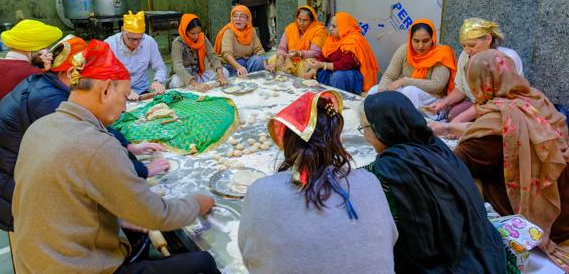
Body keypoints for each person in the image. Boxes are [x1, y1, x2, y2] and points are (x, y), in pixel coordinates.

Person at [12, 40, 218, 274]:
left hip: (34, 262)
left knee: (134, 236)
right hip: (72, 268)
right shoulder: (98, 146)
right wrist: (196, 203)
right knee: (203, 263)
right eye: (123, 97)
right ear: (107, 89)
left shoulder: (40, 127)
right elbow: (156, 215)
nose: (124, 109)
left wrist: (119, 216)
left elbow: (67, 197)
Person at [0, 36, 169, 232]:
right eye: (84, 75)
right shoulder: (49, 100)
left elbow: (97, 126)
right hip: (7, 190)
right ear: (68, 73)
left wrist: (128, 146)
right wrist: (143, 171)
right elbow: (93, 145)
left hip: (2, 175)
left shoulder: (49, 84)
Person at [239, 90, 397, 274]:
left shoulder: (261, 191)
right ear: (337, 139)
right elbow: (390, 238)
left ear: (288, 142)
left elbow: (250, 257)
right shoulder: (370, 183)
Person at [360, 91, 506, 273]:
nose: (364, 136)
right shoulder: (436, 146)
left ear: (383, 129)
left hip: (444, 266)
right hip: (485, 254)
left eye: (364, 129)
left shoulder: (392, 168)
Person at [452, 49, 569, 270]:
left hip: (543, 217)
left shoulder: (498, 122)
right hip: (562, 200)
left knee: (467, 181)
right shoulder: (536, 99)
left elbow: (460, 163)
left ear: (481, 82)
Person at [430, 18, 524, 123]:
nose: (467, 50)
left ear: (488, 39)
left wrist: (460, 119)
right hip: (478, 105)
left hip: (503, 108)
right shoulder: (466, 54)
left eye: (472, 45)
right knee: (454, 115)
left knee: (479, 125)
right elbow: (461, 88)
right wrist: (443, 103)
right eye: (464, 45)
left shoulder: (505, 59)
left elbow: (496, 102)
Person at [0, 19, 61, 129]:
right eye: (45, 48)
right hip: (19, 140)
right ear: (34, 49)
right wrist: (48, 73)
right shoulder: (33, 75)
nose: (48, 51)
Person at [370, 19, 457, 116]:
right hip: (408, 92)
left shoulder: (442, 53)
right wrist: (382, 93)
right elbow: (390, 76)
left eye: (425, 41)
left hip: (434, 97)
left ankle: (407, 118)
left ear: (433, 38)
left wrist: (404, 81)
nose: (420, 46)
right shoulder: (404, 50)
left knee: (410, 91)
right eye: (416, 41)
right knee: (375, 90)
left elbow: (437, 85)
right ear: (410, 39)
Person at [305, 12, 378, 95]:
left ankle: (339, 99)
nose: (330, 29)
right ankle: (324, 97)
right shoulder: (332, 38)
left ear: (344, 27)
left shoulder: (354, 40)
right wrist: (313, 69)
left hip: (351, 75)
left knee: (338, 76)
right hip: (336, 71)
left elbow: (344, 64)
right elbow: (322, 56)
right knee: (321, 72)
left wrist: (322, 65)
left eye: (334, 26)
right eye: (330, 25)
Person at [105, 10, 167, 101]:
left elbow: (160, 67)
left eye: (140, 38)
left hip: (142, 91)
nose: (136, 43)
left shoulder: (149, 42)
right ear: (122, 31)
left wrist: (158, 80)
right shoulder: (109, 45)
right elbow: (103, 76)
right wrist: (124, 89)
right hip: (117, 91)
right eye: (132, 39)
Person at [169, 14, 229, 92]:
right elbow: (177, 66)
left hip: (199, 74)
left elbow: (212, 56)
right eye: (193, 33)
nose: (196, 36)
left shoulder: (202, 38)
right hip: (184, 76)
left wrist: (221, 75)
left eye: (198, 32)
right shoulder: (177, 42)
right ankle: (198, 86)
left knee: (225, 72)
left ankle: (200, 86)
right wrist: (195, 83)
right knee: (176, 82)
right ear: (185, 31)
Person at [266, 5, 328, 77]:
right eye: (299, 19)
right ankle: (282, 82)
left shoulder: (318, 31)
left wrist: (300, 53)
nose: (301, 23)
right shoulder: (291, 28)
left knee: (309, 62)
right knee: (274, 59)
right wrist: (281, 56)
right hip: (291, 59)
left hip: (304, 60)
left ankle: (303, 84)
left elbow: (315, 52)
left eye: (305, 20)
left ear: (312, 20)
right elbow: (282, 48)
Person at [214, 5, 265, 77]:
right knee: (236, 80)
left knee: (257, 60)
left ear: (247, 19)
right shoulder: (229, 32)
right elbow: (226, 54)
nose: (238, 19)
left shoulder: (251, 31)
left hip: (246, 62)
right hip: (231, 65)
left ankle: (254, 81)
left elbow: (259, 50)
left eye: (241, 16)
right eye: (235, 16)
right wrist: (238, 67)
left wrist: (265, 64)